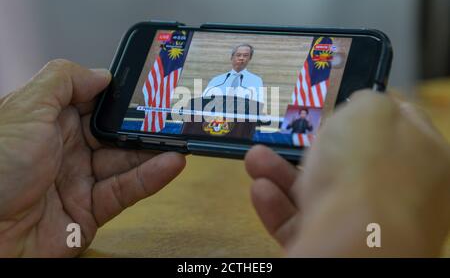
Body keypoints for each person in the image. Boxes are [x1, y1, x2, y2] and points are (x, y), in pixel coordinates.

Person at [0, 60, 449, 257]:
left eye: (243, 53)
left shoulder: (254, 82)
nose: (238, 56)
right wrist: (383, 219)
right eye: (235, 52)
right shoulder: (215, 81)